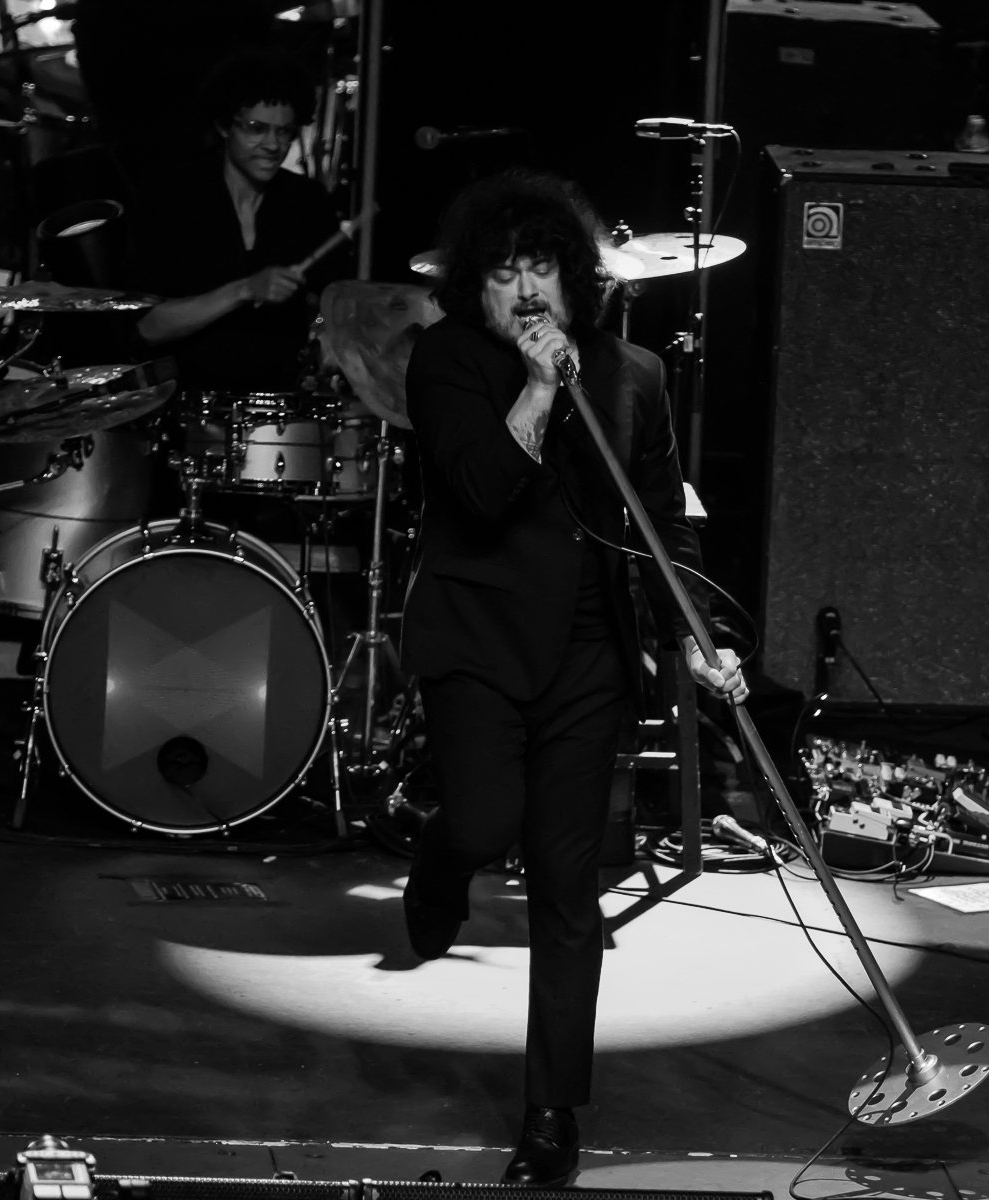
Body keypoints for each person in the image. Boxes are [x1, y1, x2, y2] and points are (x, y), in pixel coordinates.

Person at [400, 170, 749, 1187]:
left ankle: (551, 1114)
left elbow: (661, 522)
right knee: (482, 822)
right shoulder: (446, 360)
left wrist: (697, 637)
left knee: (566, 883)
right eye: (502, 272)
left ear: (573, 278)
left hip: (589, 657)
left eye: (540, 268)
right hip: (478, 642)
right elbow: (479, 490)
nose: (524, 291)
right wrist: (540, 387)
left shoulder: (634, 373)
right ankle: (443, 857)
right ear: (474, 285)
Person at [131, 47, 350, 393]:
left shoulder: (306, 200)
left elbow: (340, 301)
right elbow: (149, 328)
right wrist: (245, 289)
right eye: (256, 128)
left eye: (284, 132)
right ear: (223, 126)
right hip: (187, 399)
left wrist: (325, 332)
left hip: (282, 400)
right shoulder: (175, 199)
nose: (273, 145)